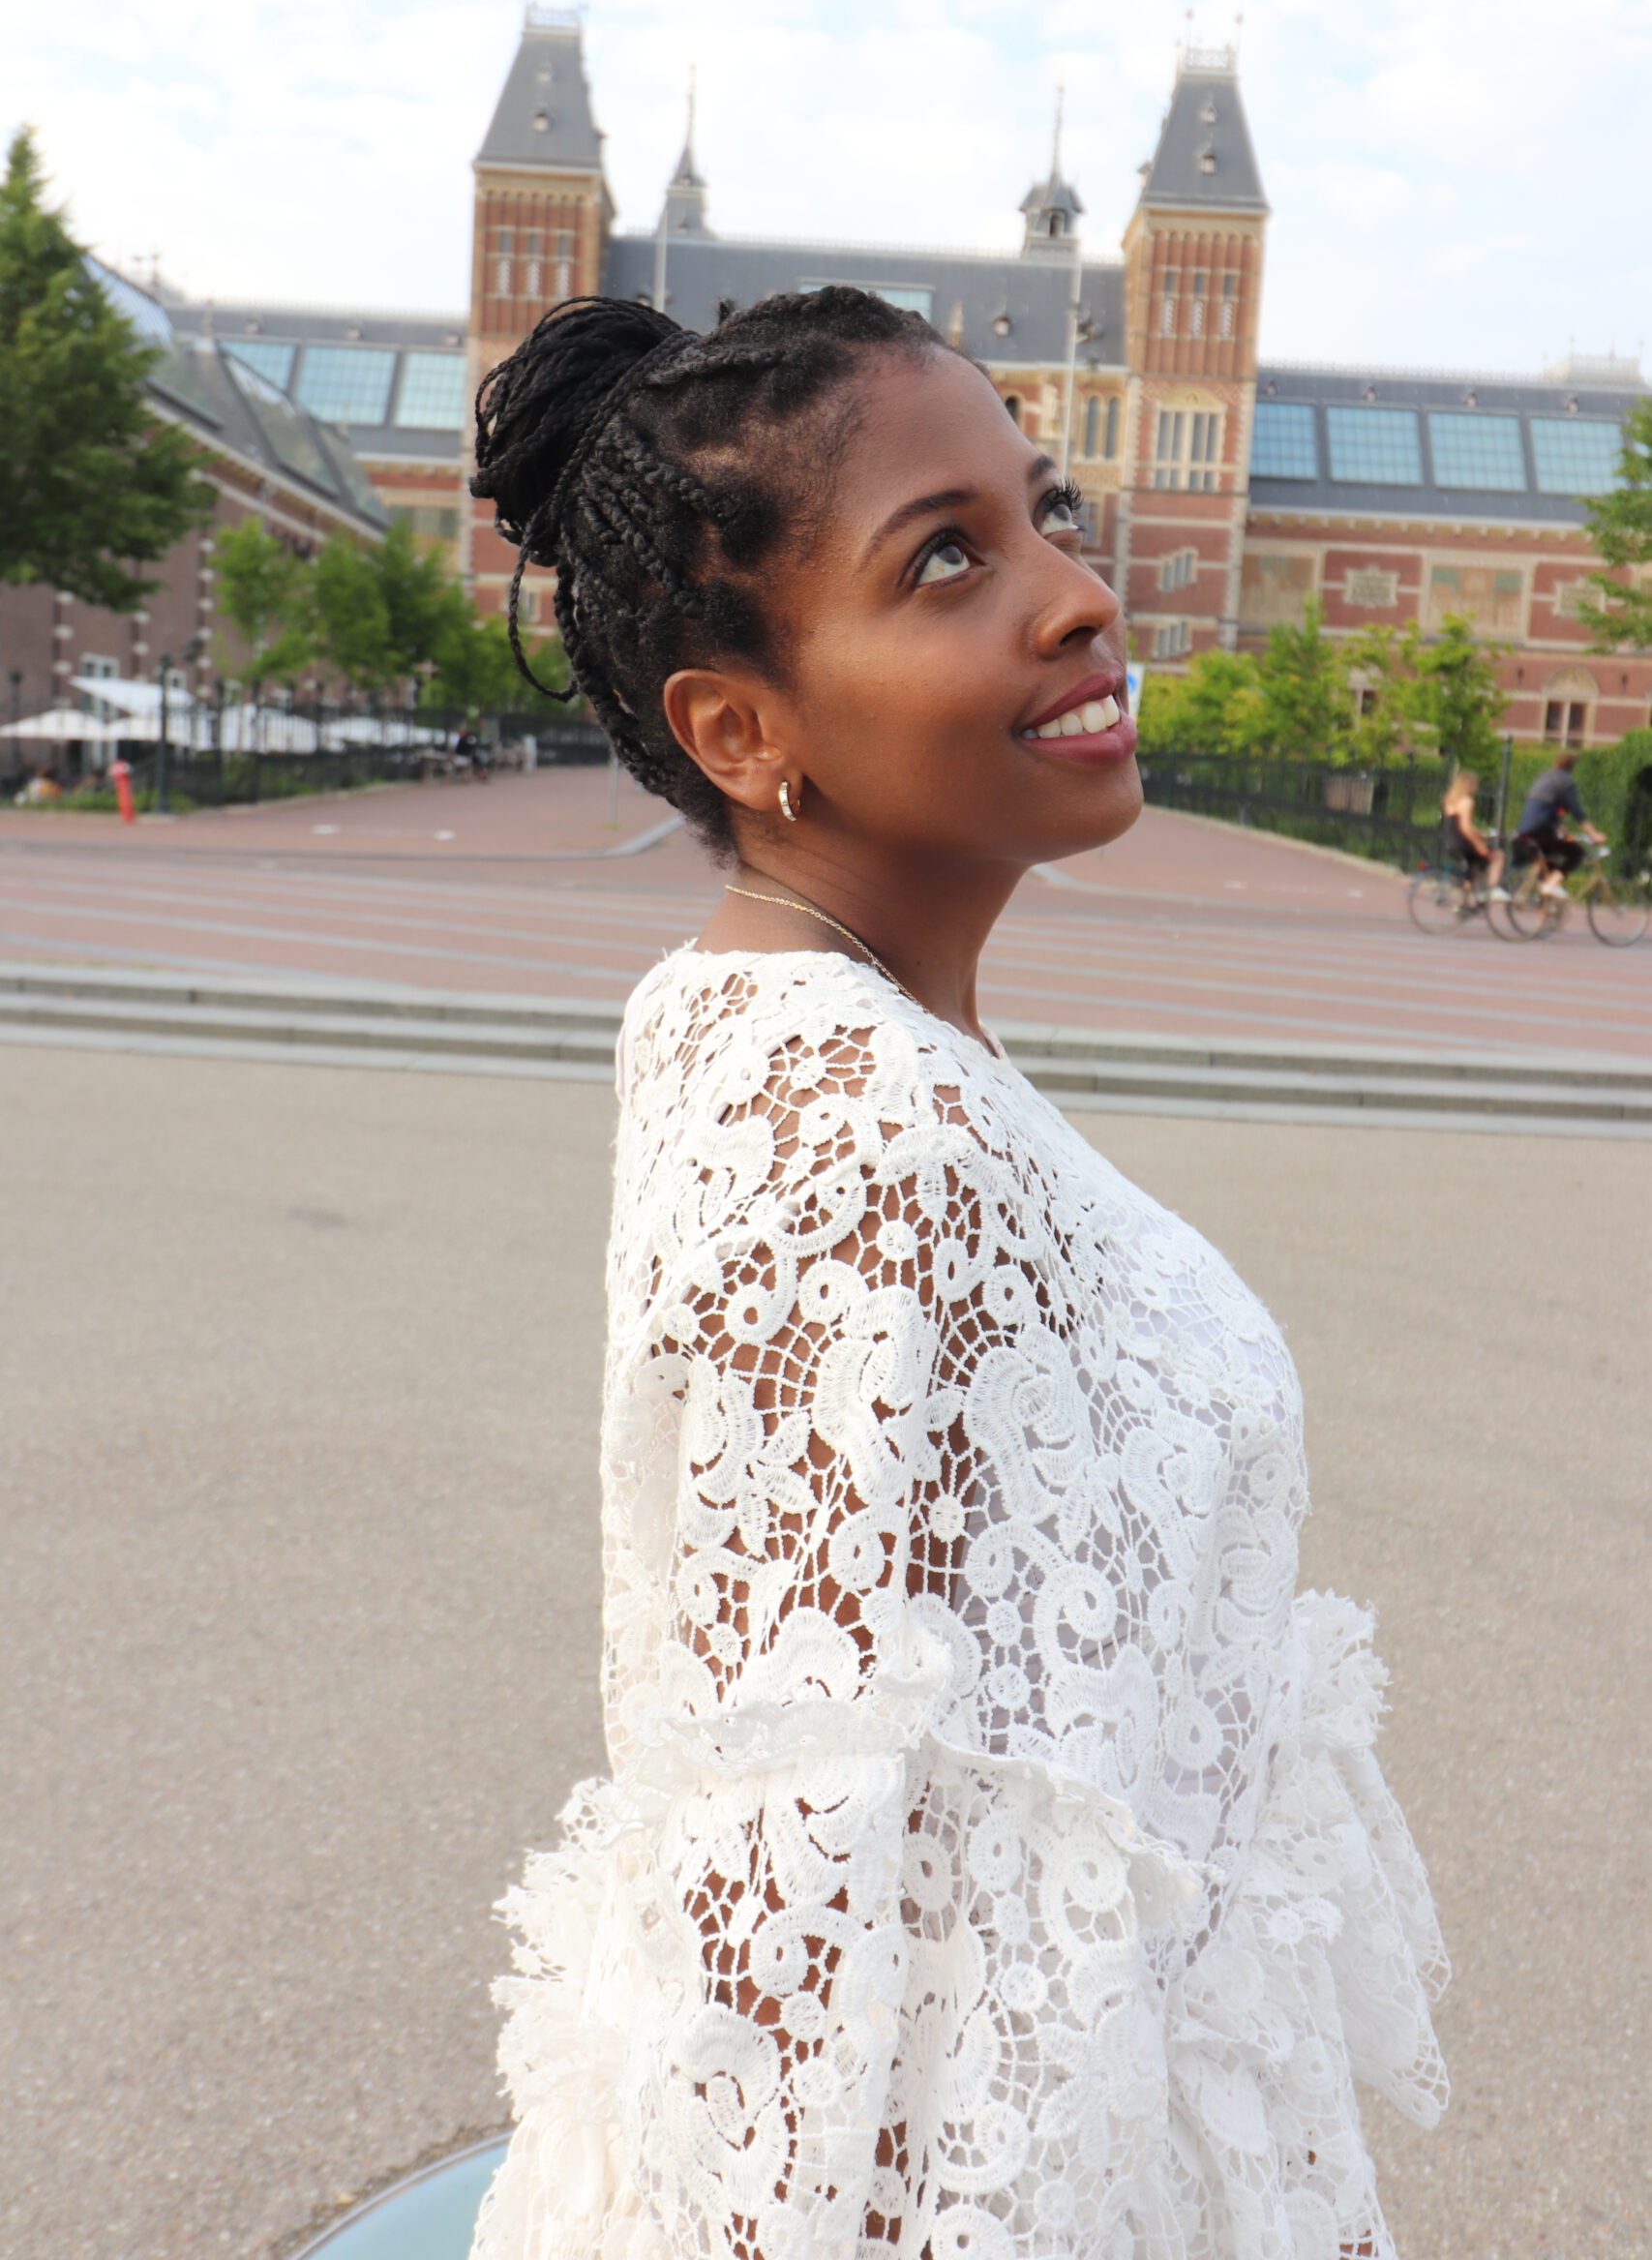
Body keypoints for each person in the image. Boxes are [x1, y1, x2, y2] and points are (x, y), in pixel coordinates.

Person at [466, 291, 1448, 2260]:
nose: (1077, 593)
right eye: (946, 558)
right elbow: (815, 1882)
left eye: (1049, 511)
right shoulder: (864, 1129)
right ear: (741, 729)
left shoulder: (811, 1025)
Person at [1511, 750, 1605, 898]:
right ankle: (1550, 885)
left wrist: (1565, 832)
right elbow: (1576, 811)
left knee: (1550, 865)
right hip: (1541, 832)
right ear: (1572, 766)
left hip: (1524, 831)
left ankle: (1545, 907)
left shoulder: (1544, 778)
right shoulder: (1565, 781)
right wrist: (1593, 834)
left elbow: (1548, 812)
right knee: (1576, 852)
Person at [1441, 768, 1506, 898]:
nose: (1477, 786)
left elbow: (1458, 825)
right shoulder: (1467, 801)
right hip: (1464, 843)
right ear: (1469, 785)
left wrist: (1480, 833)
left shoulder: (1450, 801)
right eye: (1475, 783)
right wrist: (1479, 844)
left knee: (1476, 865)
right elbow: (1465, 827)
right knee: (1498, 855)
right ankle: (1491, 891)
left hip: (1451, 841)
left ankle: (1464, 901)